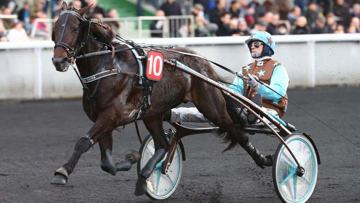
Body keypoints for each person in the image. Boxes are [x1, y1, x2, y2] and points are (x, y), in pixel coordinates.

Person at [164, 31, 289, 127]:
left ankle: (252, 115)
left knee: (236, 113)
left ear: (267, 46)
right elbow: (236, 90)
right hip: (245, 110)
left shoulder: (277, 68)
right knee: (213, 110)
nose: (252, 47)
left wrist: (258, 86)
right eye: (251, 44)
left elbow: (278, 93)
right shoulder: (246, 69)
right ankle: (173, 114)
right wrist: (224, 90)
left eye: (256, 44)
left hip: (271, 113)